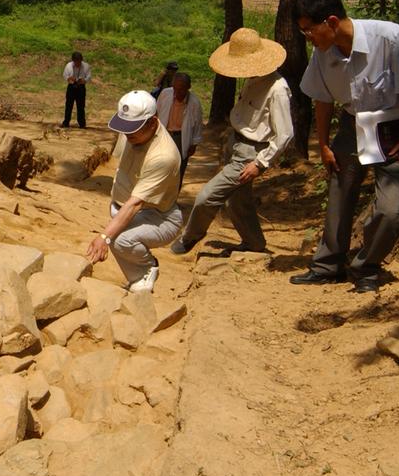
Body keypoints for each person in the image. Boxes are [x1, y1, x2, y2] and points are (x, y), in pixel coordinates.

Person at [289, 0, 399, 292]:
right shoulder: (323, 54)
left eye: (309, 30)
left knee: (390, 212)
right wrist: (324, 145)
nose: (308, 38)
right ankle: (327, 266)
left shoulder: (389, 38)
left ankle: (366, 266)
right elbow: (322, 99)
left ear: (331, 22)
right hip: (352, 126)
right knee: (340, 193)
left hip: (395, 128)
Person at [171, 28, 293, 255]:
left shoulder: (277, 89)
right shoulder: (252, 79)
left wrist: (260, 163)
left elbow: (285, 134)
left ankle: (190, 236)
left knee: (207, 196)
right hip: (235, 142)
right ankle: (254, 243)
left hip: (249, 153)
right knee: (237, 201)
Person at [85, 90, 182, 293]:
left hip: (160, 217)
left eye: (133, 129)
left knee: (119, 239)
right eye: (125, 128)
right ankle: (137, 279)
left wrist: (104, 237)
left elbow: (136, 204)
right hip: (129, 209)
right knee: (115, 236)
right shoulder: (134, 134)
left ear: (153, 123)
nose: (127, 134)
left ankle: (147, 268)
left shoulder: (164, 156)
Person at [155, 72, 203, 184]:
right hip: (164, 134)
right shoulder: (165, 94)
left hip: (180, 138)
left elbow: (197, 125)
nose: (177, 93)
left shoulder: (194, 102)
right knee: (159, 165)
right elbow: (157, 112)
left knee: (178, 169)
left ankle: (173, 199)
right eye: (175, 89)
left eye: (181, 90)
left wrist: (194, 144)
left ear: (188, 87)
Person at [61, 52, 91, 128]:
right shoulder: (69, 66)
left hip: (81, 87)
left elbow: (89, 77)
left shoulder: (86, 66)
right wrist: (69, 79)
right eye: (76, 61)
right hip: (71, 87)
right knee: (68, 105)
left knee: (81, 106)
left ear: (81, 60)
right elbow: (65, 75)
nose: (77, 63)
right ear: (73, 60)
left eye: (79, 61)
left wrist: (84, 80)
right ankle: (66, 122)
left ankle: (82, 124)